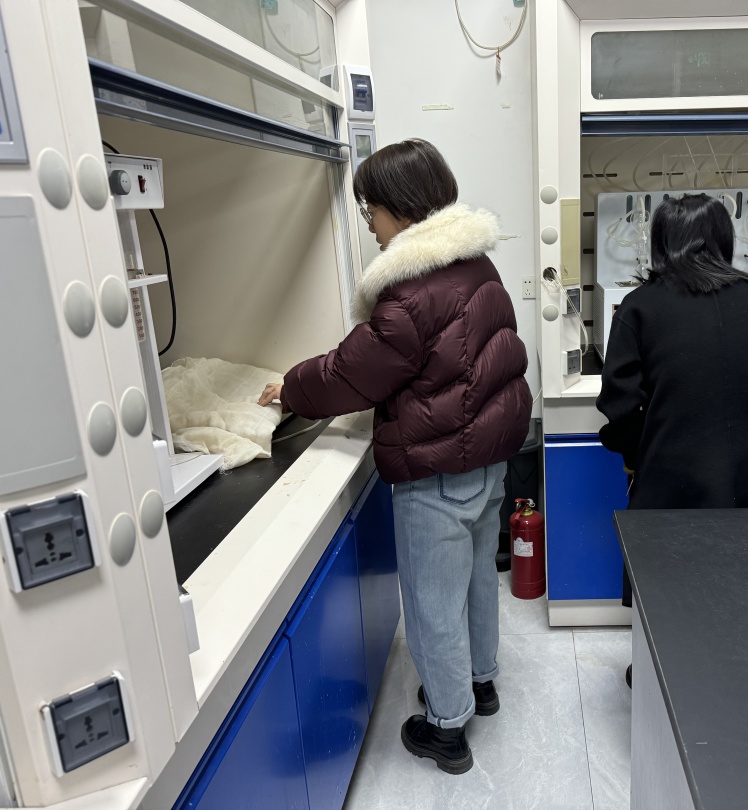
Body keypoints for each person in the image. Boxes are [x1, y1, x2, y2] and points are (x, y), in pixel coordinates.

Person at [258, 139, 531, 775]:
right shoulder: (475, 265)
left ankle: (446, 727)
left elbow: (352, 373)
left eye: (371, 211)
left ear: (402, 209)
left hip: (437, 471)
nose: (371, 226)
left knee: (433, 605)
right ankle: (480, 682)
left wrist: (291, 387)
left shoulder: (410, 291)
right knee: (475, 583)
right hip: (488, 460)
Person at [596, 193, 748, 686]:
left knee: (670, 584)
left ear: (660, 243)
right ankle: (742, 680)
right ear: (724, 240)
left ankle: (665, 679)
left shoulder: (639, 308)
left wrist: (638, 457)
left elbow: (620, 404)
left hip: (673, 478)